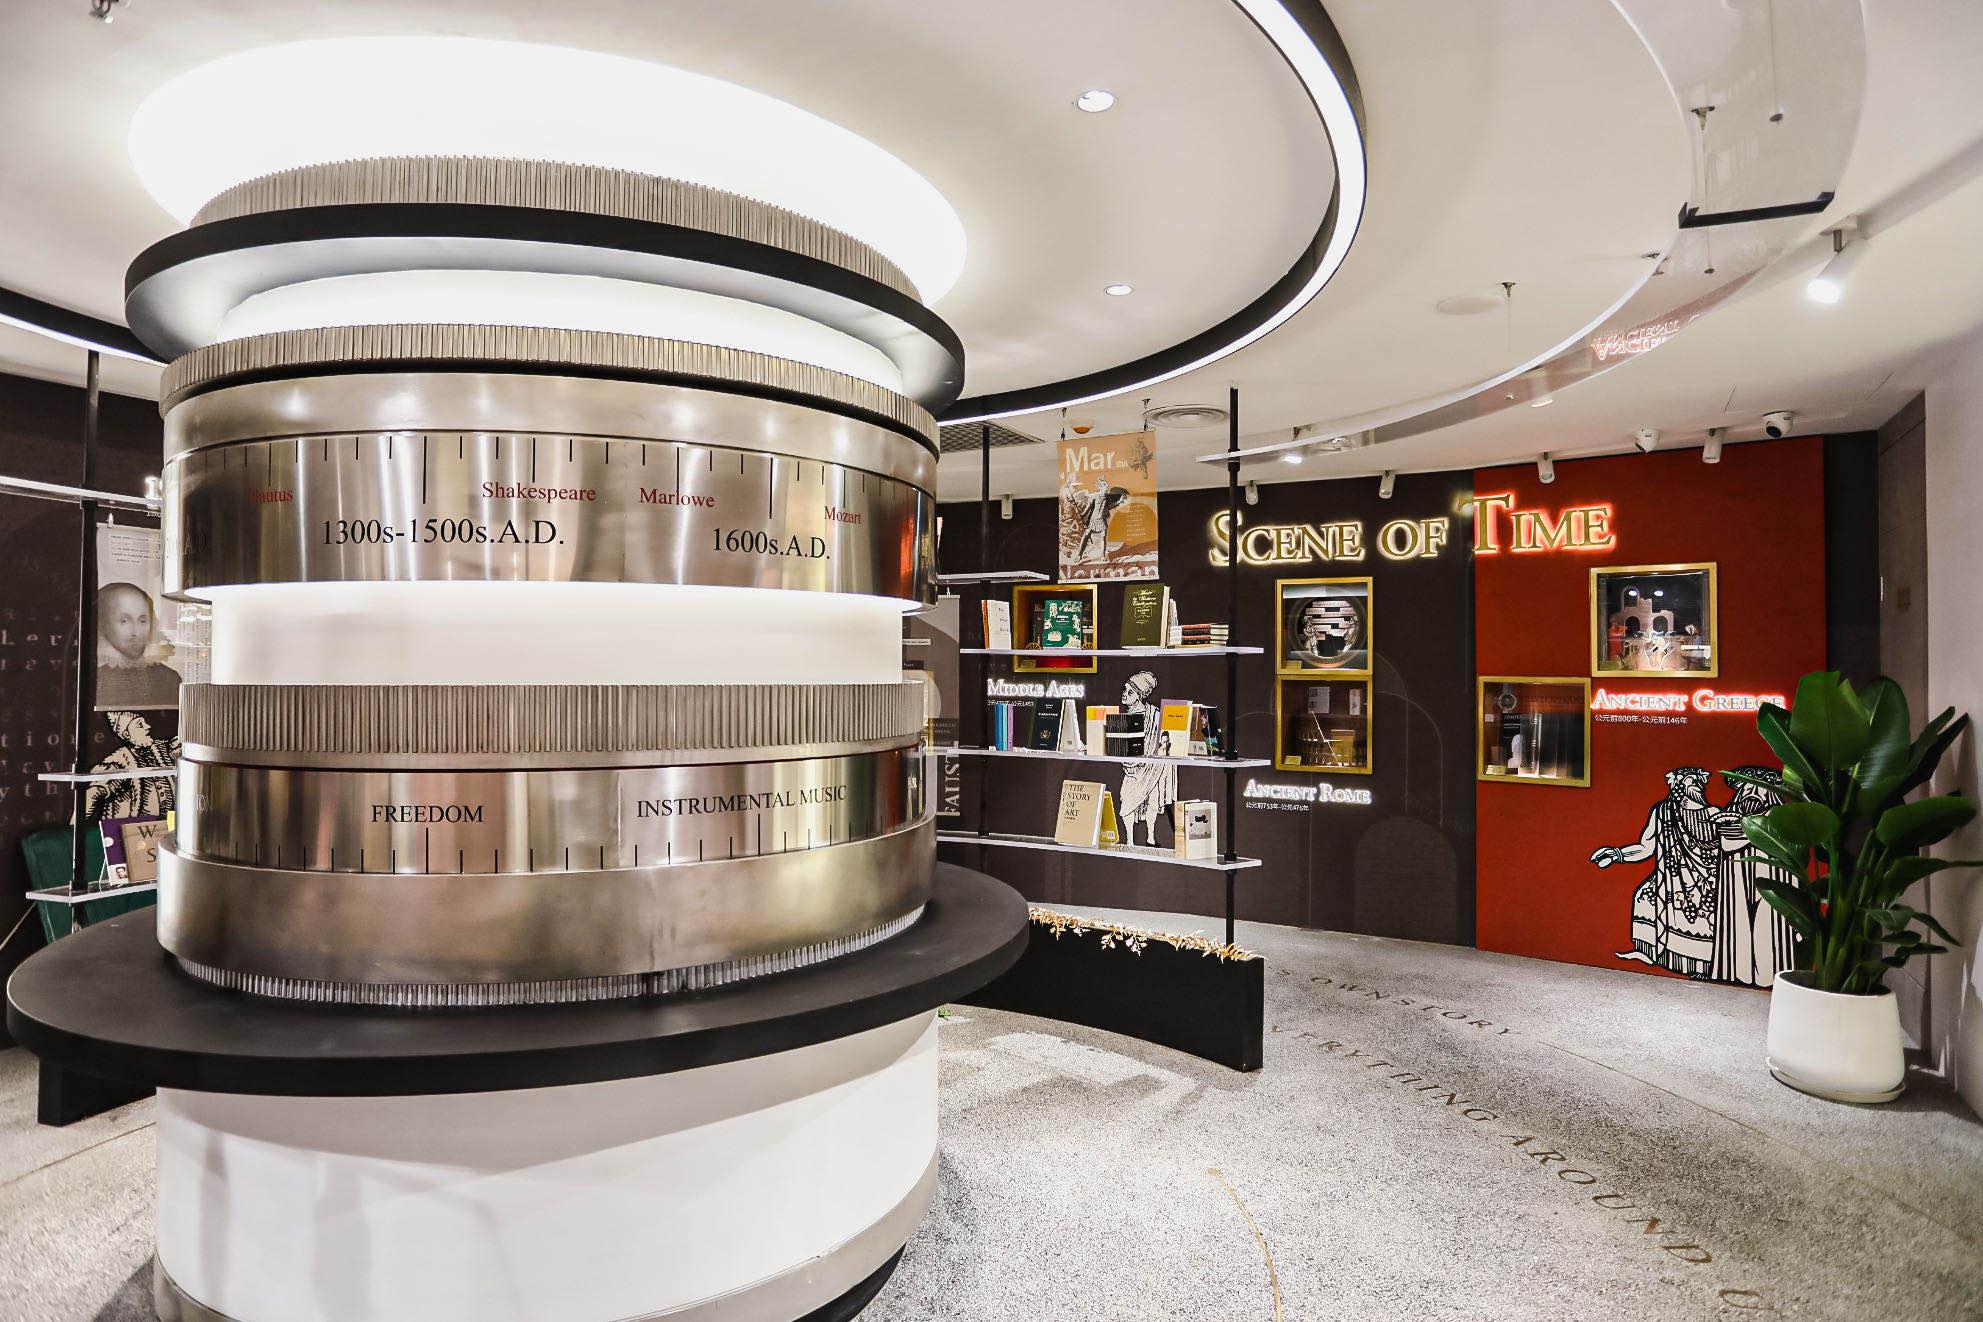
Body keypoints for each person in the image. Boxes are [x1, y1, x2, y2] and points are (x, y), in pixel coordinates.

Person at [1590, 767, 1721, 977]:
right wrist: (1617, 854)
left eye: (1698, 781)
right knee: (1644, 896)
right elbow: (1646, 847)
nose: (1697, 784)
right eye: (1691, 780)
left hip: (1706, 877)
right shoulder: (1663, 812)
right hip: (1671, 876)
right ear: (1679, 786)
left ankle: (1702, 967)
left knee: (1703, 916)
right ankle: (1650, 952)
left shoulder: (1714, 814)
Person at [1712, 766, 1800, 986]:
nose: (1750, 793)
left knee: (1767, 922)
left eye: (1756, 787)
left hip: (1769, 873)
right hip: (1737, 876)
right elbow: (1727, 842)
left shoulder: (1778, 816)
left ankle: (1767, 975)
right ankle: (1740, 972)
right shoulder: (1735, 814)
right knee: (1738, 919)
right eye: (1745, 787)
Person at [95, 581, 181, 710]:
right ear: (103, 624)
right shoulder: (93, 679)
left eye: (142, 621)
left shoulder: (169, 679)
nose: (136, 632)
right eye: (124, 621)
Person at [1115, 670, 1176, 847]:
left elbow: (1167, 740)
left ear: (1140, 696)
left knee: (1152, 801)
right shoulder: (1123, 718)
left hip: (1152, 767)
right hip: (1131, 769)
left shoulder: (1155, 716)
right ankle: (1130, 841)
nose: (1124, 694)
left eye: (1130, 692)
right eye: (1125, 690)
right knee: (1127, 803)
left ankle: (1150, 837)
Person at [84, 710, 178, 822]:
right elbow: (93, 794)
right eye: (140, 725)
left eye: (145, 722)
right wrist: (73, 829)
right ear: (127, 734)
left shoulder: (161, 748)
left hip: (168, 825)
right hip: (132, 829)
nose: (147, 727)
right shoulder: (120, 760)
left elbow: (177, 748)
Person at [1289, 595, 1363, 669]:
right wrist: (1331, 632)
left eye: (1351, 620)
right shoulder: (1307, 628)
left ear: (1354, 622)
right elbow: (1341, 632)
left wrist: (1330, 632)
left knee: (1346, 653)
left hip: (1349, 644)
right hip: (1311, 639)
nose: (1350, 621)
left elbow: (1342, 633)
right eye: (1308, 622)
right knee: (1309, 649)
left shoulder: (1354, 628)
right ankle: (1314, 656)